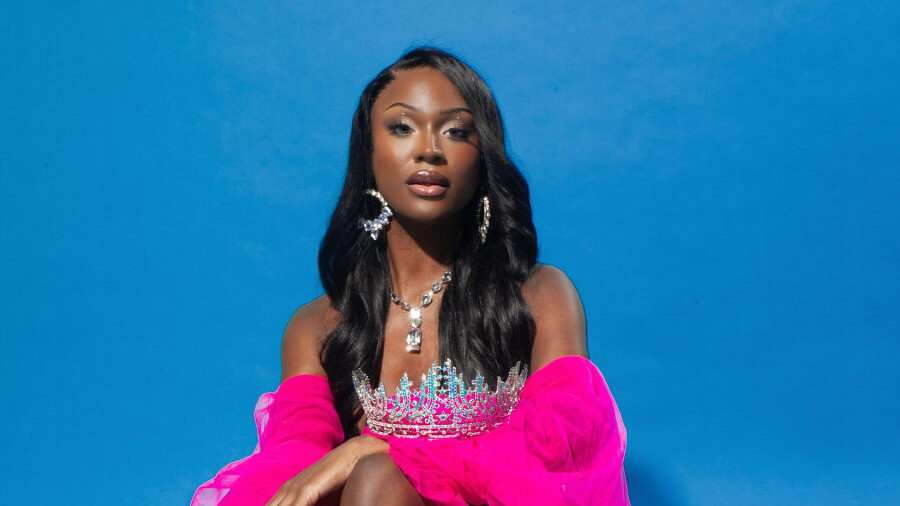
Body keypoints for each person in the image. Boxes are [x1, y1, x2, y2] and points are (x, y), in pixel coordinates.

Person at [191, 46, 630, 506]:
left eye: (455, 131)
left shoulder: (539, 295)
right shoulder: (318, 327)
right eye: (402, 127)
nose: (429, 150)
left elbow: (566, 443)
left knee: (375, 472)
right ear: (368, 153)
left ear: (482, 158)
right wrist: (370, 460)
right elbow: (297, 469)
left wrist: (373, 451)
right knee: (367, 479)